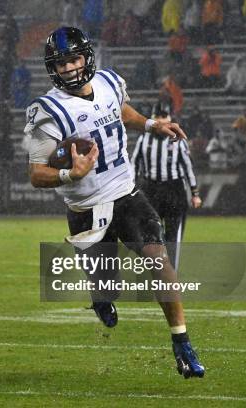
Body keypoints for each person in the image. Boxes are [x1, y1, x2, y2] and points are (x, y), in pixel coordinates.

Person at [24, 27, 204, 378]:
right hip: (86, 209)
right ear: (52, 68)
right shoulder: (47, 110)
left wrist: (153, 125)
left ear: (87, 57)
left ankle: (181, 342)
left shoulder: (108, 81)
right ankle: (102, 295)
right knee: (109, 286)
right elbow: (36, 173)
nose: (70, 68)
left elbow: (122, 113)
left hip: (126, 194)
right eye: (62, 63)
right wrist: (69, 175)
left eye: (75, 59)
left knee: (158, 258)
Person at [132, 102, 202, 271]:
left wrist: (195, 193)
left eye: (164, 116)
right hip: (150, 189)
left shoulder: (178, 140)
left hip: (174, 190)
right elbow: (134, 164)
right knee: (151, 234)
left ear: (170, 118)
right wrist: (131, 189)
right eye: (158, 116)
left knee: (173, 236)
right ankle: (157, 270)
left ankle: (172, 274)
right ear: (153, 118)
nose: (162, 120)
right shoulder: (144, 139)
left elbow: (188, 167)